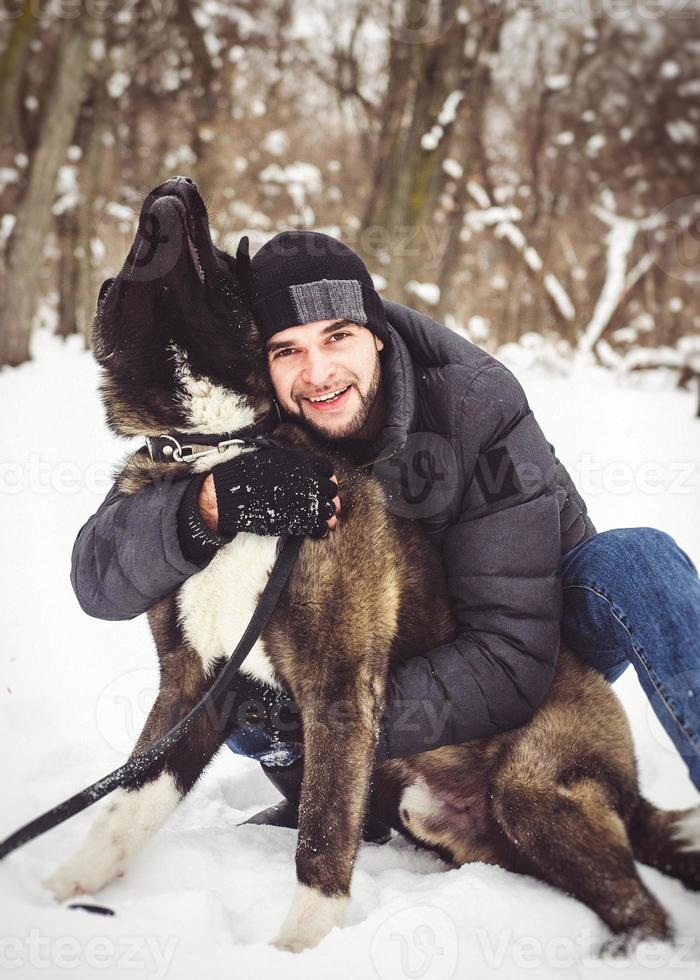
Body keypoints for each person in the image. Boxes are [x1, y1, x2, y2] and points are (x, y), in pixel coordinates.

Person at [71, 231, 700, 834]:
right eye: (286, 350)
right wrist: (204, 506)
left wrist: (337, 715)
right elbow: (100, 580)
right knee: (234, 684)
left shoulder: (475, 404)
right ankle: (349, 800)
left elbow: (512, 654)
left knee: (636, 562)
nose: (316, 374)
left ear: (375, 335)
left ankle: (349, 763)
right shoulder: (246, 418)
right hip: (348, 675)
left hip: (535, 663)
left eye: (337, 337)